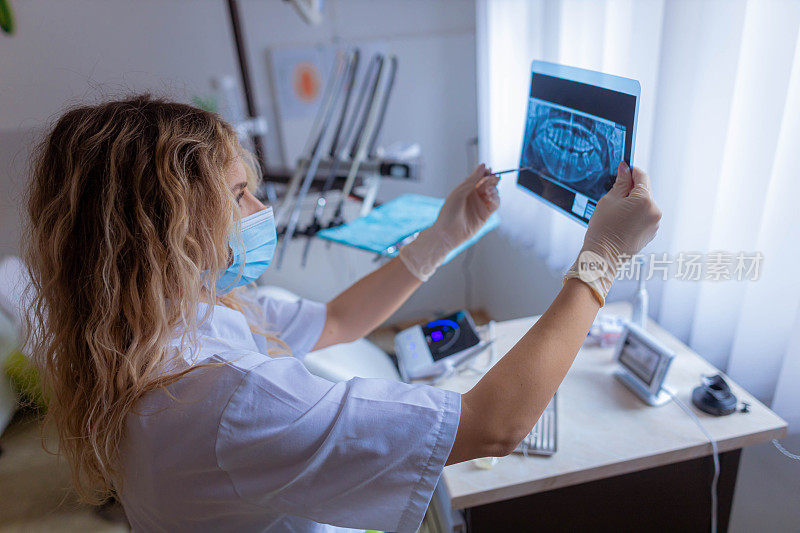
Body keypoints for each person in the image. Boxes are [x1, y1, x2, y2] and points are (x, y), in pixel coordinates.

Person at [24, 95, 660, 532]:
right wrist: (601, 259)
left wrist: (442, 237)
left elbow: (336, 322)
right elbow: (492, 426)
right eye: (238, 194)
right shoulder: (225, 397)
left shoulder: (157, 324)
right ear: (168, 231)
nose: (257, 208)